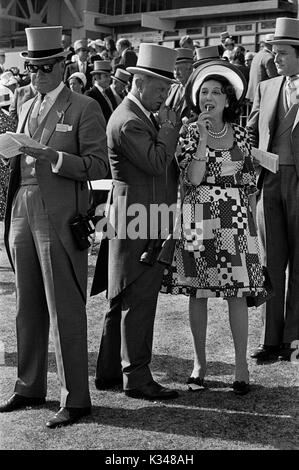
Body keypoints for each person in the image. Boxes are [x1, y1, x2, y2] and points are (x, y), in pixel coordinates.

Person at [0, 26, 108, 428]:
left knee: (65, 307)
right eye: (32, 68)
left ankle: (75, 397)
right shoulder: (26, 103)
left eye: (46, 68)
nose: (38, 76)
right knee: (26, 306)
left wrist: (55, 158)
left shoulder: (84, 106)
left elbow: (98, 166)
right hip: (22, 209)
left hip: (60, 212)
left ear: (63, 65)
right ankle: (29, 386)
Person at [161, 59, 269, 395]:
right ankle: (199, 364)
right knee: (199, 293)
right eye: (204, 92)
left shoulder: (241, 133)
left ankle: (240, 366)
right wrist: (204, 140)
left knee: (237, 294)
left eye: (216, 93)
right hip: (199, 215)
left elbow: (249, 183)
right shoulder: (190, 132)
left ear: (227, 100)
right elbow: (192, 178)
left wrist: (252, 231)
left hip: (235, 220)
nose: (209, 97)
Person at [91, 43, 180, 400]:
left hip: (136, 217)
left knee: (122, 297)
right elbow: (157, 163)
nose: (164, 96)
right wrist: (170, 130)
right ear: (140, 82)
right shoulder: (129, 121)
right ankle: (137, 378)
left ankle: (111, 372)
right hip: (139, 220)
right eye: (160, 89)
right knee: (138, 300)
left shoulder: (135, 115)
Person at [247, 17, 299, 362]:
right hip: (269, 181)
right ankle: (270, 339)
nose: (275, 58)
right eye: (273, 52)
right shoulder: (267, 88)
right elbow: (250, 132)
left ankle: (293, 340)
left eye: (281, 52)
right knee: (271, 262)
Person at [246, 33, 278, 103]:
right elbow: (274, 78)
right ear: (272, 44)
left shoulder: (258, 55)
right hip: (263, 95)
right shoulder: (269, 57)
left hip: (253, 94)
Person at [165, 48, 194, 121]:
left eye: (179, 69)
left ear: (190, 68)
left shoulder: (196, 89)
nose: (176, 73)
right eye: (174, 69)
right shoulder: (172, 88)